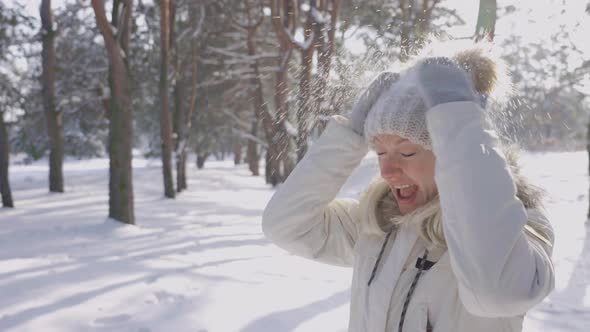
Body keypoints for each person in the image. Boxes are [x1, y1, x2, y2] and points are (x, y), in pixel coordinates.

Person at [261, 44, 555, 332]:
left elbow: (497, 293)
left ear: (453, 153)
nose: (387, 171)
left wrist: (460, 126)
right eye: (379, 152)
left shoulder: (523, 231)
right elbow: (286, 226)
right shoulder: (378, 225)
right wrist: (349, 136)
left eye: (407, 153)